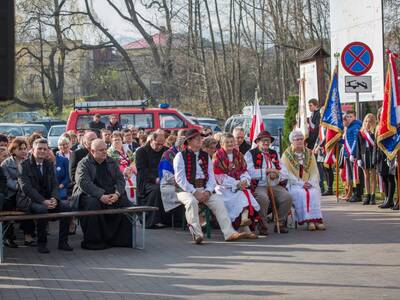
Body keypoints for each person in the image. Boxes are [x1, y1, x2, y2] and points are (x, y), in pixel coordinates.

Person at [173, 129, 247, 244]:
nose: (200, 140)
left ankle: (229, 233)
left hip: (204, 189)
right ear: (189, 141)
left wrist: (208, 191)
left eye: (200, 138)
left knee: (218, 201)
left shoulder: (205, 155)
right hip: (185, 190)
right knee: (191, 202)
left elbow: (212, 177)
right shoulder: (180, 156)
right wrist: (194, 192)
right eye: (197, 138)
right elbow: (180, 179)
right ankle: (197, 234)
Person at [71, 139, 133, 250]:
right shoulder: (83, 164)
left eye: (105, 149)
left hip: (111, 194)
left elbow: (120, 180)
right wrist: (101, 196)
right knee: (93, 204)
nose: (105, 152)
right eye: (101, 150)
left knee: (124, 201)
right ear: (92, 151)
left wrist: (117, 194)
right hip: (90, 195)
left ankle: (120, 240)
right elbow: (84, 183)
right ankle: (94, 241)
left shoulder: (111, 161)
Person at [17, 138, 72, 253]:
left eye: (45, 149)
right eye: (39, 148)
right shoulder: (24, 165)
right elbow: (26, 188)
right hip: (29, 200)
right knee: (42, 210)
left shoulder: (49, 164)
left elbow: (54, 184)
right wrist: (43, 201)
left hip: (48, 199)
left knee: (66, 208)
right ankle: (42, 244)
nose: (42, 151)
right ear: (32, 150)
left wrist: (54, 198)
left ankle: (63, 242)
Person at [245, 131, 292, 235]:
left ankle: (280, 222)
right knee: (263, 198)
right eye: (263, 141)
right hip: (259, 185)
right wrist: (266, 171)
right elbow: (249, 172)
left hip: (274, 184)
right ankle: (263, 224)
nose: (266, 143)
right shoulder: (250, 154)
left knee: (287, 197)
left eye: (268, 141)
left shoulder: (274, 153)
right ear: (257, 142)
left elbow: (284, 171)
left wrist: (276, 174)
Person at [213, 133, 259, 237]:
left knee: (245, 194)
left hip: (239, 186)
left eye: (232, 142)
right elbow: (218, 176)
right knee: (241, 196)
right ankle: (243, 225)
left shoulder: (238, 155)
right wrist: (236, 184)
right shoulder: (217, 156)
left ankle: (244, 224)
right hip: (223, 187)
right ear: (221, 144)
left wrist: (244, 181)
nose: (230, 144)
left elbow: (244, 171)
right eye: (227, 142)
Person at [281, 130, 325, 231]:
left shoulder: (309, 153)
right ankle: (309, 221)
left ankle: (317, 220)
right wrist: (301, 183)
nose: (300, 141)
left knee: (314, 192)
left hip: (309, 182)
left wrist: (310, 182)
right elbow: (287, 173)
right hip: (294, 184)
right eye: (297, 139)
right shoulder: (286, 155)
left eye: (301, 139)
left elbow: (314, 171)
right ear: (292, 141)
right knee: (301, 194)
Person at [1, 138, 35, 247]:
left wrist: (26, 188)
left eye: (25, 148)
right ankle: (8, 238)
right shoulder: (6, 164)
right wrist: (23, 186)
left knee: (28, 205)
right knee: (7, 206)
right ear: (14, 150)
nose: (24, 151)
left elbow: (33, 178)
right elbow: (7, 181)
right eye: (21, 149)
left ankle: (28, 236)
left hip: (25, 193)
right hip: (11, 193)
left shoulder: (30, 161)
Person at [135, 130, 169, 228]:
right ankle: (152, 220)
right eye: (157, 144)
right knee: (157, 189)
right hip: (146, 182)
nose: (160, 147)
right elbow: (142, 171)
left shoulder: (165, 151)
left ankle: (171, 219)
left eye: (162, 144)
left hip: (164, 179)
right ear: (151, 140)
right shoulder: (141, 152)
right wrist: (155, 179)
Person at [158, 130, 187, 213]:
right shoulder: (168, 154)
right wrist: (183, 184)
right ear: (180, 146)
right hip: (169, 184)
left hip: (185, 183)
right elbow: (167, 176)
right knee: (190, 194)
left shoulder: (188, 154)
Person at [107, 131, 136, 203]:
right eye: (115, 140)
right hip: (120, 175)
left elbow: (133, 160)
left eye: (119, 139)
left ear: (122, 140)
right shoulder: (109, 152)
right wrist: (124, 171)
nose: (117, 141)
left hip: (132, 172)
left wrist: (131, 169)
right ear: (111, 142)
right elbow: (114, 165)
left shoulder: (127, 149)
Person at [69, 131, 97, 198]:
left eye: (96, 139)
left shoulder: (101, 153)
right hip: (83, 188)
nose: (95, 141)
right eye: (92, 140)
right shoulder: (77, 154)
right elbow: (73, 177)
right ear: (85, 143)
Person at [357, 113, 377, 205]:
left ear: (373, 122)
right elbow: (358, 146)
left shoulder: (375, 132)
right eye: (366, 121)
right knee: (366, 176)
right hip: (364, 154)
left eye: (369, 121)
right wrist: (358, 158)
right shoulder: (360, 132)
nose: (367, 123)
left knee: (373, 176)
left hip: (372, 154)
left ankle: (373, 196)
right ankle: (367, 195)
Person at [344, 110, 363, 202]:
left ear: (355, 117)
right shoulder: (349, 127)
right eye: (347, 116)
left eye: (350, 116)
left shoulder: (356, 126)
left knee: (356, 175)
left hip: (354, 154)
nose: (348, 118)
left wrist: (352, 153)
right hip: (348, 154)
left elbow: (356, 141)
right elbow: (348, 140)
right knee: (352, 175)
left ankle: (358, 194)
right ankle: (355, 193)